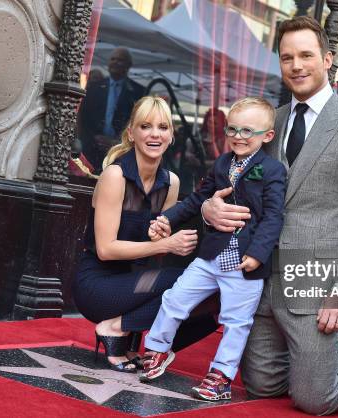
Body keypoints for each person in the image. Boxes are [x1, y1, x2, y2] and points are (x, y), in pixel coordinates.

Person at [190, 16, 338, 415]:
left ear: (328, 59)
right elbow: (226, 179)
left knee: (313, 400)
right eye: (287, 57)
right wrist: (208, 206)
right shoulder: (270, 121)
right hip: (262, 279)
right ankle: (334, 360)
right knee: (261, 386)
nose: (297, 65)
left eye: (306, 55)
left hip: (314, 286)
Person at [139, 97, 287, 402]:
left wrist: (258, 252)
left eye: (248, 131)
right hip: (212, 255)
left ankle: (220, 377)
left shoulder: (272, 170)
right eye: (232, 129)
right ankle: (156, 350)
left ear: (267, 136)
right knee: (175, 298)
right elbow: (197, 199)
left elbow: (274, 216)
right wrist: (167, 217)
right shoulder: (222, 163)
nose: (238, 136)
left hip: (244, 262)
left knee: (236, 321)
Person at [72, 96, 219, 373]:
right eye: (146, 126)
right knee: (188, 280)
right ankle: (114, 327)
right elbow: (106, 249)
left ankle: (139, 337)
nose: (155, 134)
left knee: (212, 291)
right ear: (132, 133)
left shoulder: (170, 183)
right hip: (98, 285)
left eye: (163, 127)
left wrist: (162, 240)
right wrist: (167, 245)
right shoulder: (115, 176)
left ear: (171, 135)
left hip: (136, 282)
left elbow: (155, 254)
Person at [77, 47, 145, 171]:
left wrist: (118, 142)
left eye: (120, 60)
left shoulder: (138, 92)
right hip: (92, 150)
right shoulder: (94, 87)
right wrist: (91, 140)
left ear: (128, 65)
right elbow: (84, 117)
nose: (115, 62)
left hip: (120, 152)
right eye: (112, 59)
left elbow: (139, 123)